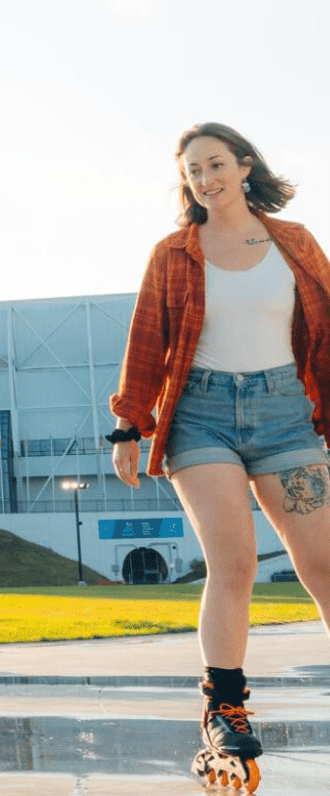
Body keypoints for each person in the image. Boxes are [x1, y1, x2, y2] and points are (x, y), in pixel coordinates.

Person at [109, 122, 330, 779]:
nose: (205, 179)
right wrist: (129, 422)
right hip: (200, 417)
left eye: (214, 165)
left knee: (324, 563)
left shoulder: (294, 244)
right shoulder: (175, 252)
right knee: (233, 561)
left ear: (242, 165)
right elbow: (147, 338)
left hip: (287, 416)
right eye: (193, 172)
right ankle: (226, 710)